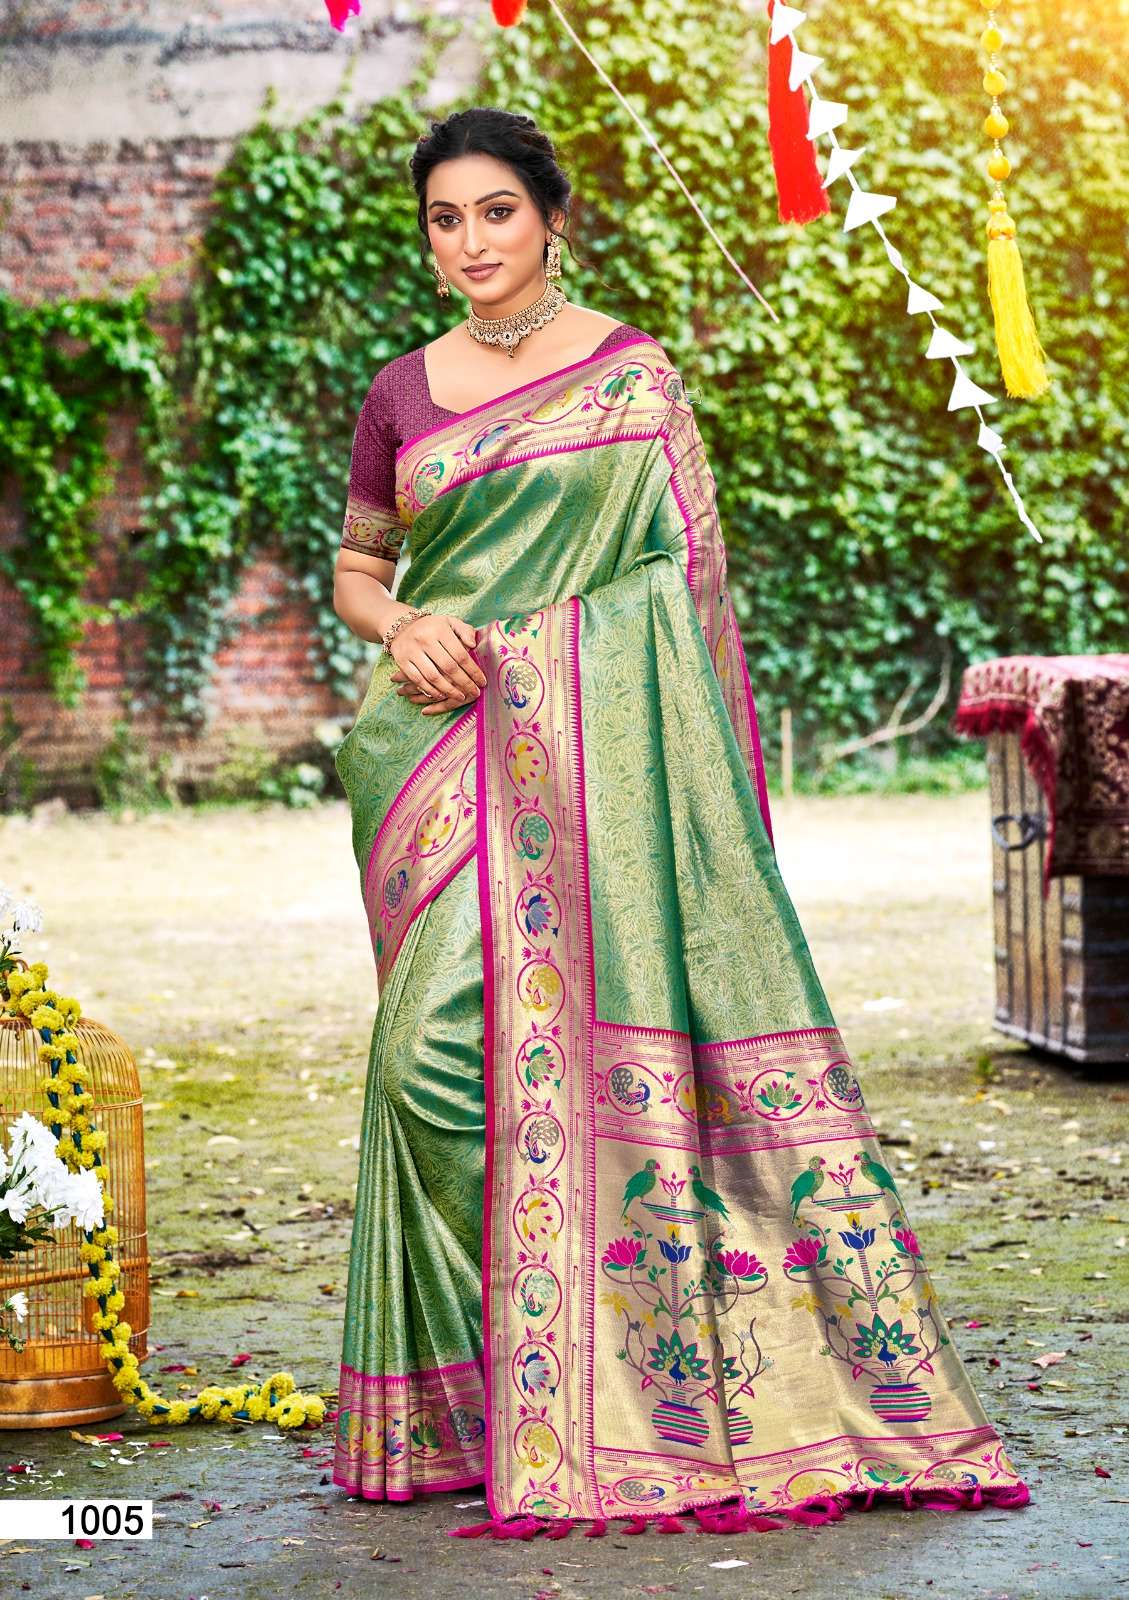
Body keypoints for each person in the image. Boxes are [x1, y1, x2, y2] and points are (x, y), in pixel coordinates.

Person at [328, 105, 1030, 1539]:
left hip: (606, 777)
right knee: (420, 1070)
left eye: (497, 212)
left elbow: (688, 595)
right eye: (447, 220)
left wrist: (549, 655)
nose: (471, 241)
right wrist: (400, 626)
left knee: (518, 1062)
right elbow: (358, 567)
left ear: (551, 218)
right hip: (439, 764)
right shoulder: (401, 390)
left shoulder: (633, 377)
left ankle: (614, 1374)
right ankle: (508, 1377)